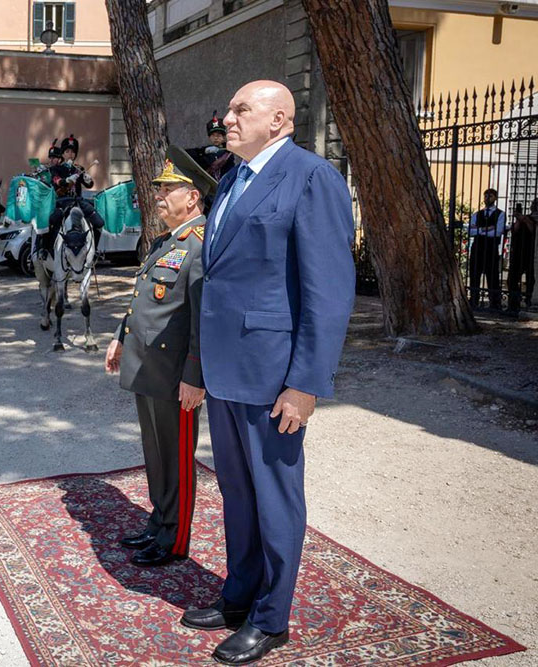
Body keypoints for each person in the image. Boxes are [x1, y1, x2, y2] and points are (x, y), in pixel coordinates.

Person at [180, 81, 354, 665]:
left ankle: (271, 617)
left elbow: (328, 291)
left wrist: (305, 384)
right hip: (228, 370)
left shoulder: (311, 177)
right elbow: (218, 284)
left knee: (276, 498)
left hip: (274, 375)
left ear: (279, 120)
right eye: (228, 108)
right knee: (237, 493)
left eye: (240, 109)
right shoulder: (232, 178)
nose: (226, 117)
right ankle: (239, 595)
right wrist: (199, 366)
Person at [104, 158, 206, 568]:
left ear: (193, 196)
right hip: (147, 366)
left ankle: (174, 539)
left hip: (175, 376)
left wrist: (195, 377)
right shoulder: (165, 242)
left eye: (168, 189)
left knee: (176, 457)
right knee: (155, 452)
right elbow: (143, 300)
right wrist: (118, 337)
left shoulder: (199, 245)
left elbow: (201, 319)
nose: (158, 196)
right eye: (158, 189)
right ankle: (158, 521)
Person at [39, 134, 105, 260]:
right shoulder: (56, 168)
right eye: (67, 151)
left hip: (78, 201)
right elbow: (56, 181)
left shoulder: (79, 168)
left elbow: (89, 184)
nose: (70, 154)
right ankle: (46, 249)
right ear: (62, 154)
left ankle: (94, 250)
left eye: (73, 152)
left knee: (99, 222)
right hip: (62, 202)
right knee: (50, 221)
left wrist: (88, 179)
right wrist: (66, 180)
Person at [468, 188, 506, 310]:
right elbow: (470, 231)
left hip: (491, 247)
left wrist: (478, 229)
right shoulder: (477, 214)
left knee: (492, 275)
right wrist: (486, 229)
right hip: (477, 247)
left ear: (495, 198)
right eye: (485, 196)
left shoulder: (501, 214)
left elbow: (497, 232)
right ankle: (474, 300)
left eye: (490, 196)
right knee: (474, 273)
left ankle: (494, 302)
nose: (486, 199)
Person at [507, 198, 535, 315]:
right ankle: (514, 303)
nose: (534, 206)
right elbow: (514, 230)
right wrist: (519, 219)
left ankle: (530, 303)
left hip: (531, 254)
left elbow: (533, 230)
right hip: (518, 253)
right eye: (534, 204)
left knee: (531, 280)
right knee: (512, 279)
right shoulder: (525, 217)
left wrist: (524, 219)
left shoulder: (531, 219)